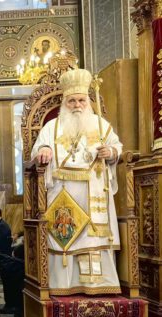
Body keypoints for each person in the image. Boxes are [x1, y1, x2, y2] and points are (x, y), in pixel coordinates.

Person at [32, 68, 122, 295]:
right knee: (65, 236)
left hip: (93, 192)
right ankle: (64, 285)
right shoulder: (52, 127)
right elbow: (38, 147)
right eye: (71, 101)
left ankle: (98, 286)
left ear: (88, 101)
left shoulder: (101, 125)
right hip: (63, 193)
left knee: (92, 237)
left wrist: (111, 152)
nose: (77, 105)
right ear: (65, 102)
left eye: (81, 100)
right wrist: (43, 149)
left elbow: (117, 147)